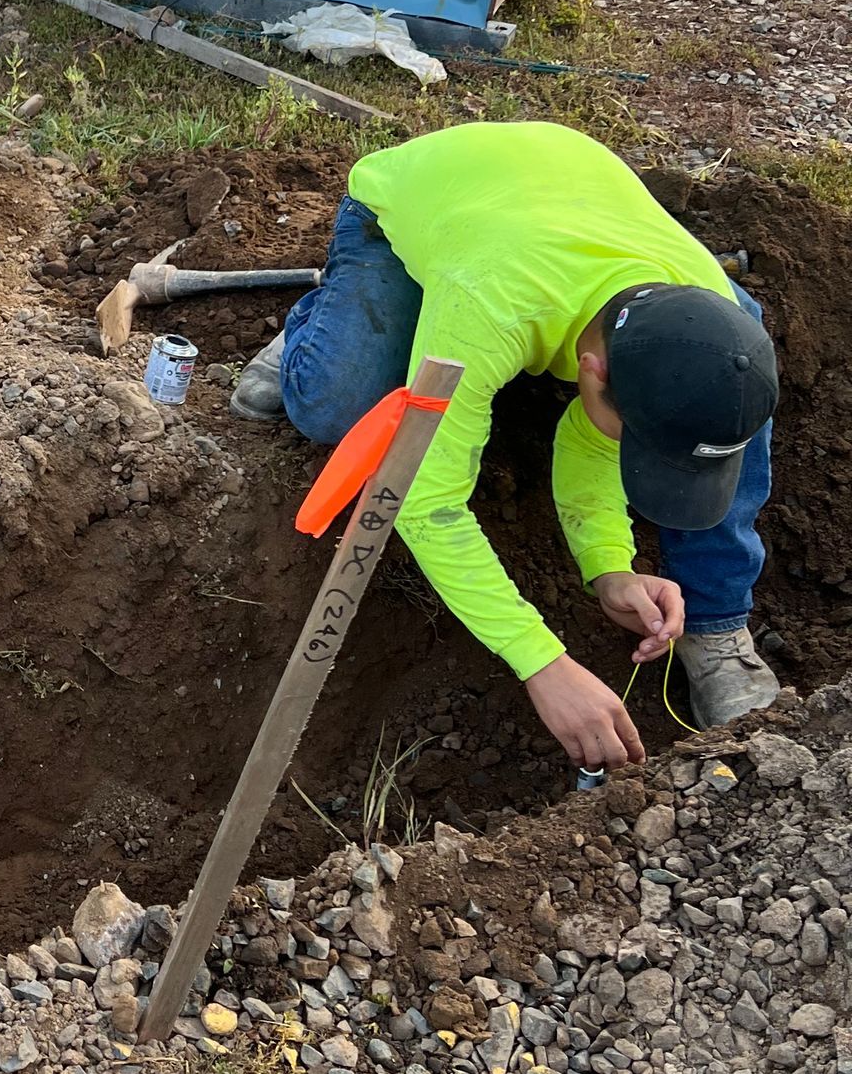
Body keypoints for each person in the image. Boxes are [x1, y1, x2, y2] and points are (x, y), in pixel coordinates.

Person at [229, 122, 781, 768]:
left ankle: (715, 622)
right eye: (633, 440)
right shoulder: (489, 303)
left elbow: (599, 432)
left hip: (559, 192)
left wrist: (610, 567)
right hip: (424, 197)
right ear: (593, 372)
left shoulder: (720, 325)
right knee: (337, 403)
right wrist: (541, 662)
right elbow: (423, 500)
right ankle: (316, 326)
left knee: (724, 395)